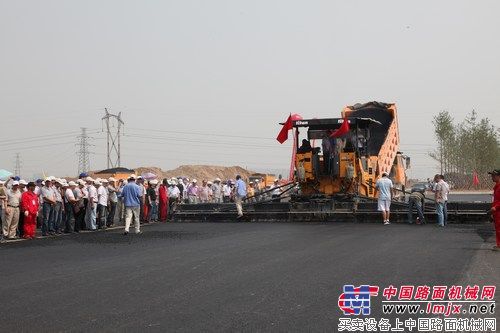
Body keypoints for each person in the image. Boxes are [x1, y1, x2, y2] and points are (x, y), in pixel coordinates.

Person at [488, 169, 500, 251]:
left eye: (494, 175)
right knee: (498, 229)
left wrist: (495, 207)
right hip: (496, 211)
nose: (492, 177)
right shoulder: (496, 187)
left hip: (498, 210)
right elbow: (495, 200)